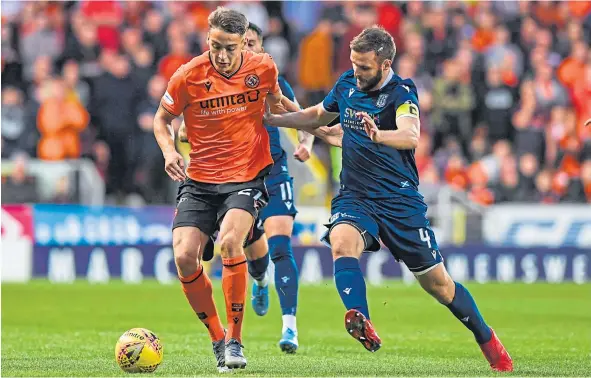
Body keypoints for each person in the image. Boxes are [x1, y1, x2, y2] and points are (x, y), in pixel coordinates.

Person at [264, 26, 514, 372]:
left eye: (364, 67)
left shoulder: (402, 92)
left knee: (439, 285)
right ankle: (361, 319)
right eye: (353, 64)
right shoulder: (347, 85)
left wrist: (378, 134)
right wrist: (273, 119)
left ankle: (487, 338)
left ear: (384, 65)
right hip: (356, 196)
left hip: (399, 202)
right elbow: (318, 116)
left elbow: (411, 136)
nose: (356, 71)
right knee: (341, 240)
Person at [153, 7, 297, 372]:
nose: (221, 54)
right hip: (199, 180)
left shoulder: (263, 68)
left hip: (246, 176)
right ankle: (217, 339)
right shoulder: (188, 75)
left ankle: (235, 340)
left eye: (229, 47)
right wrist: (170, 149)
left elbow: (278, 107)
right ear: (207, 40)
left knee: (232, 242)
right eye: (215, 45)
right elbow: (162, 118)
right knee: (184, 256)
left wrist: (320, 128)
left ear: (242, 44)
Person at [178, 22, 314, 354]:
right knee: (239, 244)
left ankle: (290, 327)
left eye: (251, 43)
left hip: (274, 172)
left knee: (280, 245)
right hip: (233, 177)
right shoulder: (216, 83)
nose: (246, 49)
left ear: (261, 49)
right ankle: (258, 280)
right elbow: (186, 124)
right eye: (243, 44)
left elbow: (303, 116)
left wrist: (308, 141)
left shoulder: (271, 80)